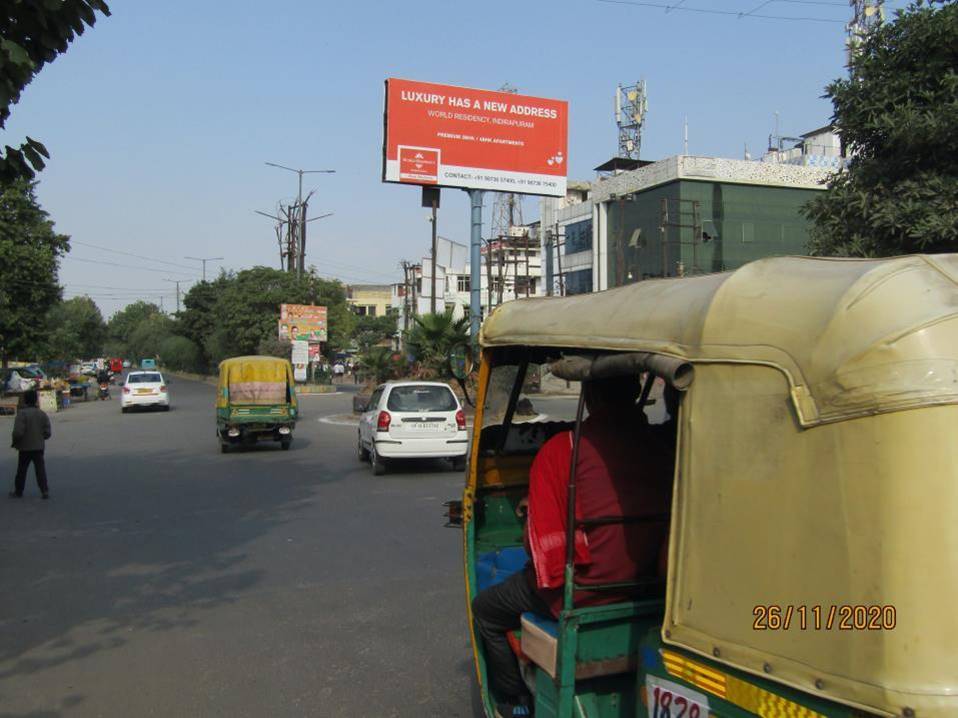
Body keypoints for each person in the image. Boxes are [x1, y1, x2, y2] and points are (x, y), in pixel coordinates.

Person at [471, 375, 673, 715]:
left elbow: (546, 551)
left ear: (590, 395)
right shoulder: (662, 448)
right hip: (653, 585)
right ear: (636, 393)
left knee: (486, 610)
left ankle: (512, 700)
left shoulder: (564, 449)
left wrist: (532, 513)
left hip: (584, 590)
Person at [9, 389, 52, 499]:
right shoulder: (41, 414)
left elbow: (18, 432)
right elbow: (47, 432)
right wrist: (41, 437)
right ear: (36, 400)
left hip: (24, 447)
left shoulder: (22, 414)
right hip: (38, 447)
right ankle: (44, 490)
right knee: (40, 470)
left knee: (22, 470)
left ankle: (18, 491)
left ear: (25, 400)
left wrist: (15, 441)